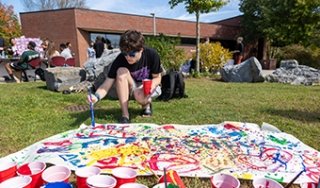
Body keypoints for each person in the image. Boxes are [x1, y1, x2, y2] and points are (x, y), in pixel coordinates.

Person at [87, 30, 163, 123]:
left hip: (147, 86)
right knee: (121, 71)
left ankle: (146, 105)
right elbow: (106, 85)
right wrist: (96, 96)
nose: (128, 57)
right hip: (131, 85)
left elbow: (157, 77)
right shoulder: (120, 59)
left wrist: (151, 85)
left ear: (141, 50)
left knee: (140, 97)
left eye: (132, 54)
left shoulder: (151, 54)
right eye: (125, 53)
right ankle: (125, 115)